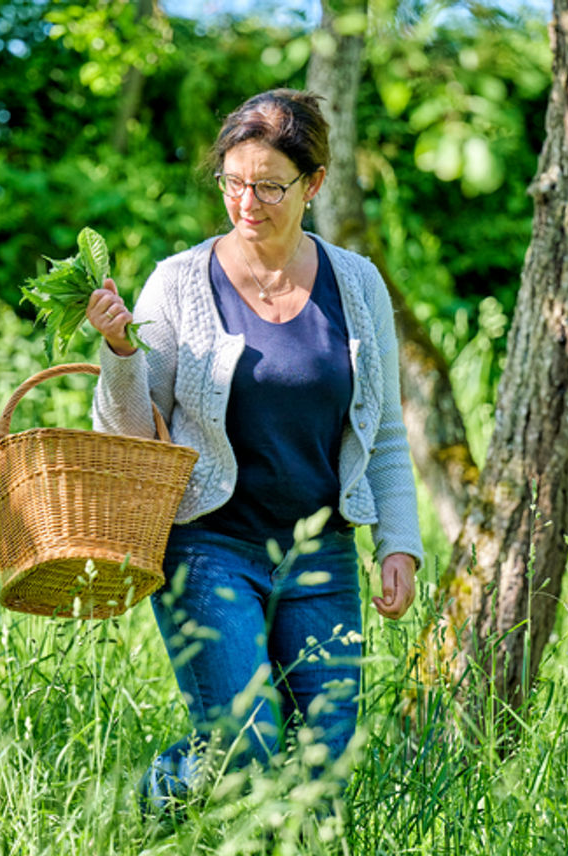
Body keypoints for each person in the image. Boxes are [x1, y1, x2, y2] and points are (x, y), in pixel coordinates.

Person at [85, 88, 422, 816]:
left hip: (322, 555)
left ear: (314, 186)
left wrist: (400, 542)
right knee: (252, 745)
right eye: (234, 181)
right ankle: (151, 798)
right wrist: (120, 352)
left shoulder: (357, 285)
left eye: (269, 185)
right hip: (210, 547)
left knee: (320, 774)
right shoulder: (178, 282)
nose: (248, 201)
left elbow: (383, 430)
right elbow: (129, 437)